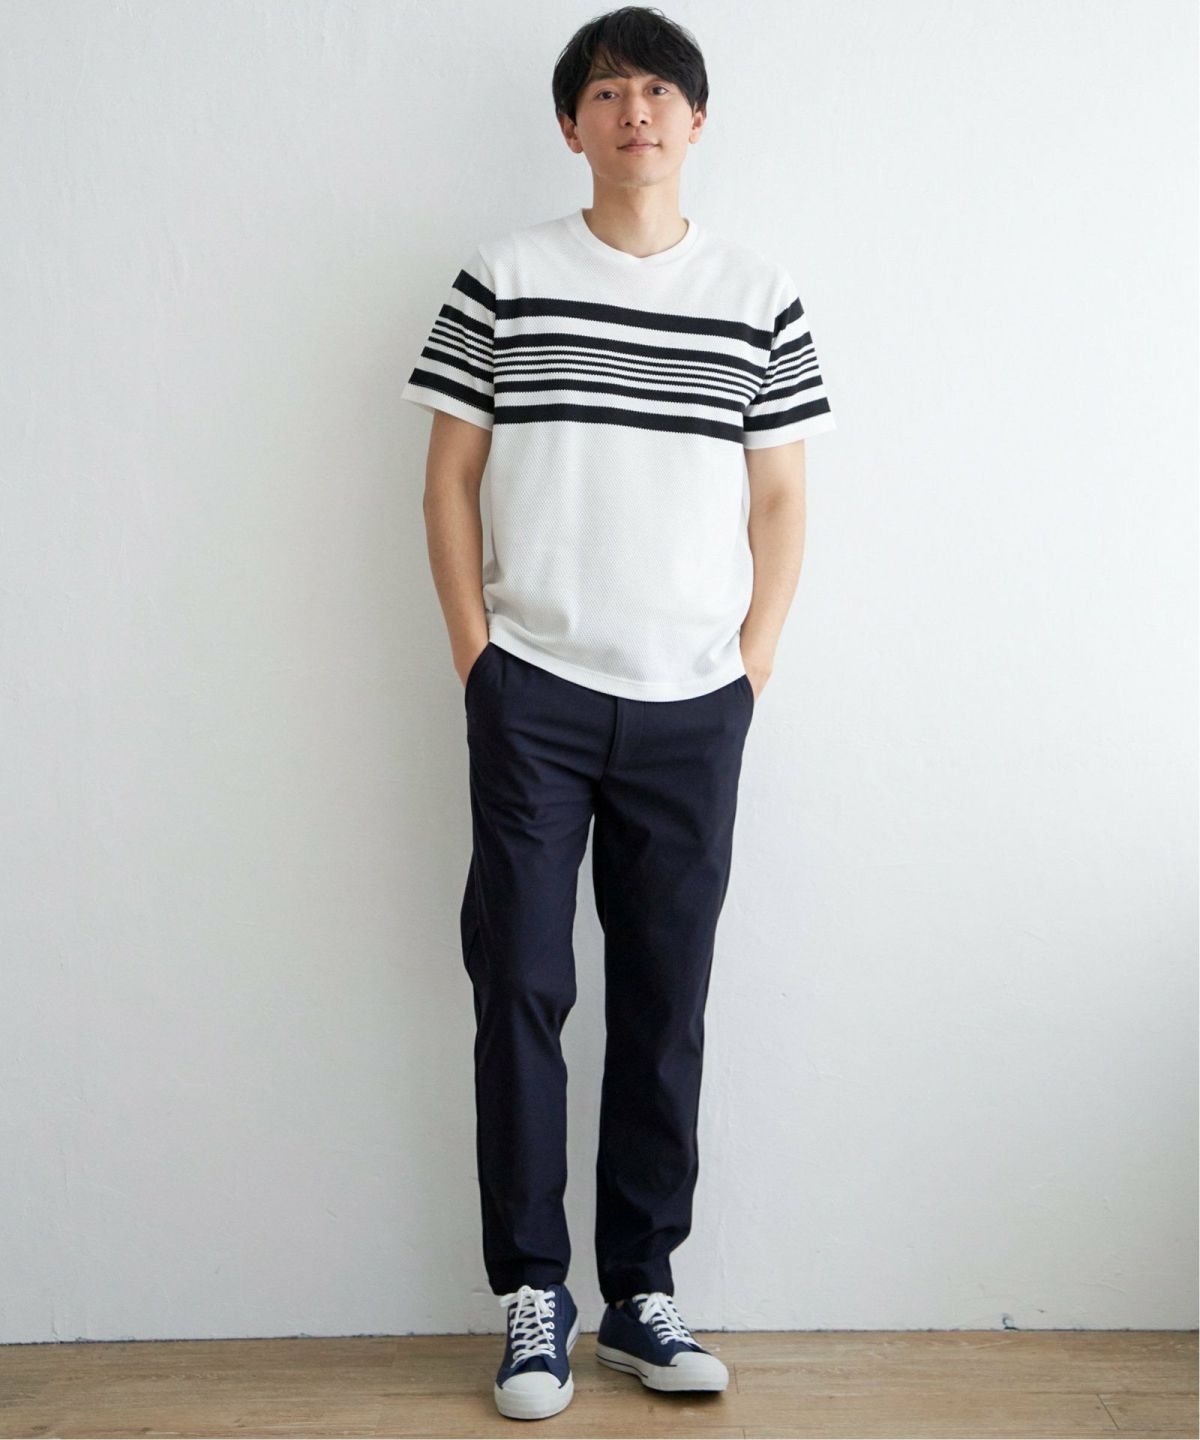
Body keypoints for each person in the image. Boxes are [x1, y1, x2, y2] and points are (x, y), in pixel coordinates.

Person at [400, 4, 836, 1420]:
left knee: (664, 1005)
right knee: (522, 985)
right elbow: (448, 476)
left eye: (657, 90)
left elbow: (783, 497)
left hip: (693, 704)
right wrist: (478, 660)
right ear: (571, 124)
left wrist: (749, 669)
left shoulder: (757, 291)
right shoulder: (506, 276)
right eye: (605, 91)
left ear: (695, 121)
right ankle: (534, 1294)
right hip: (532, 692)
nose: (633, 110)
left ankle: (642, 1291)